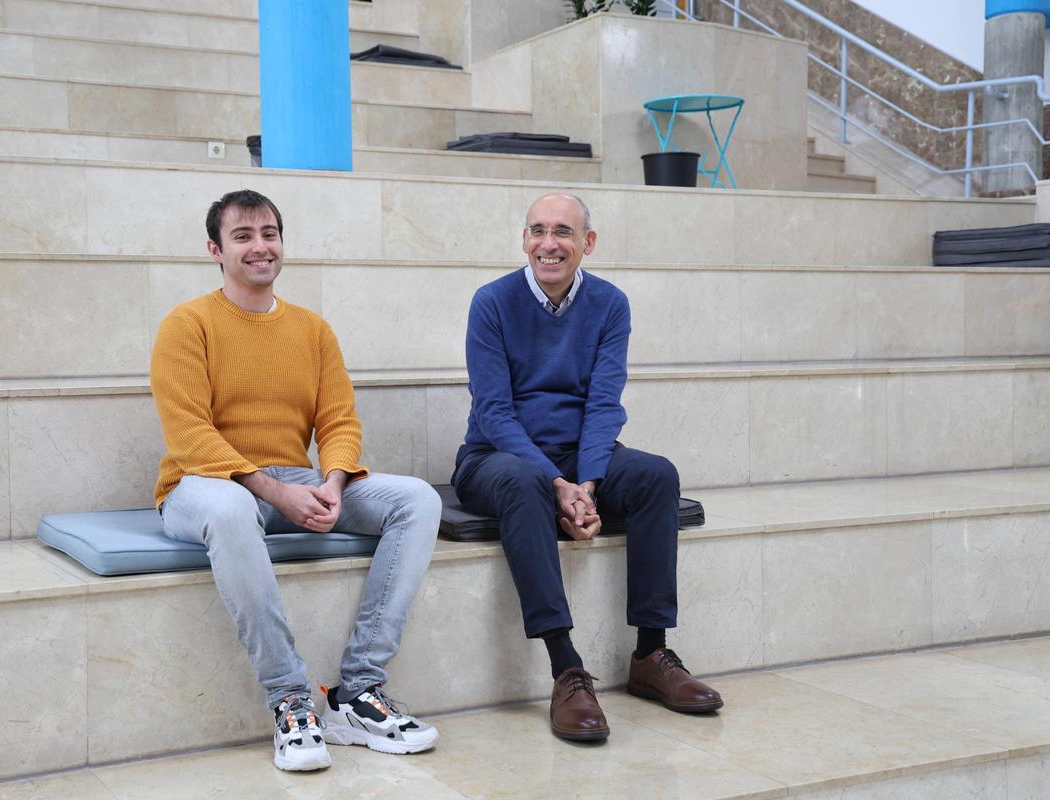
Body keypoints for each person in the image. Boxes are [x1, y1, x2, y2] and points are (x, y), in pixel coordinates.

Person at [150, 189, 441, 771]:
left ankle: (358, 690)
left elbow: (338, 420)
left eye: (270, 234)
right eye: (243, 236)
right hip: (200, 484)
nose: (260, 247)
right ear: (215, 250)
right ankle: (290, 698)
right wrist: (272, 490)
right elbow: (189, 433)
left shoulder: (312, 329)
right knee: (231, 509)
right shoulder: (187, 324)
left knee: (417, 499)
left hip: (292, 478)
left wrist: (332, 483)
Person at [451, 192, 724, 742]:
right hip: (497, 457)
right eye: (537, 230)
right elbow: (495, 412)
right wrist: (557, 484)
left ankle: (650, 654)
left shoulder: (610, 304)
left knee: (656, 475)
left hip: (580, 458)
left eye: (563, 232)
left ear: (587, 242)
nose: (548, 244)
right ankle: (566, 668)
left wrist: (588, 483)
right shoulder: (492, 302)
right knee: (525, 481)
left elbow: (604, 404)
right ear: (524, 239)